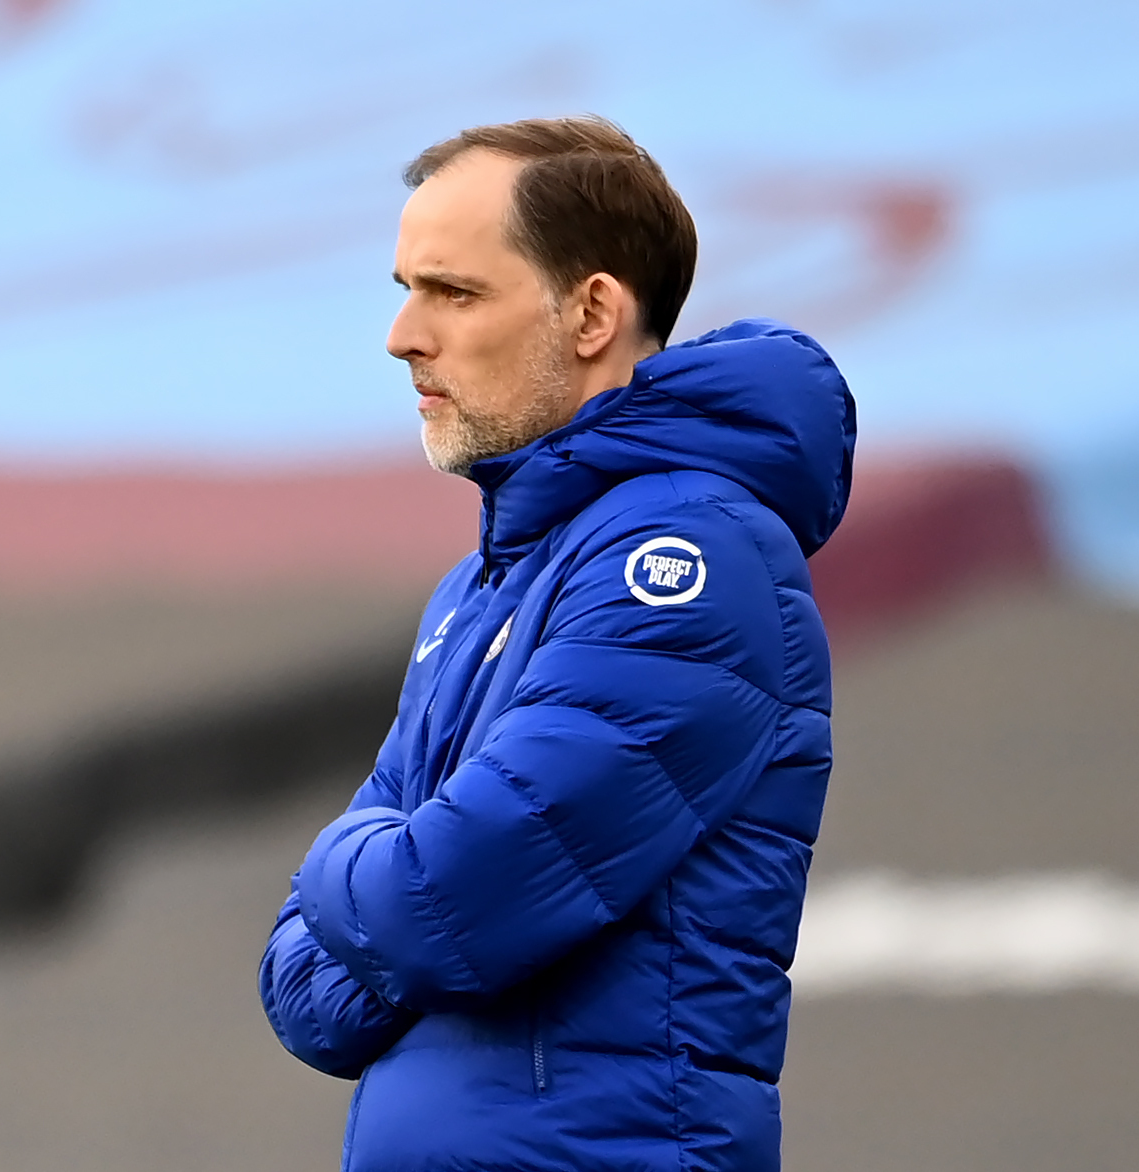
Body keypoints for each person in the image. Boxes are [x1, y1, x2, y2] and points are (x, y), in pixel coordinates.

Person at [257, 116, 855, 1172]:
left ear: (590, 314)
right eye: (404, 288)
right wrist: (385, 876)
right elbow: (310, 1000)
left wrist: (329, 863)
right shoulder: (485, 584)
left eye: (453, 292)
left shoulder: (688, 556)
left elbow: (438, 906)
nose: (402, 334)